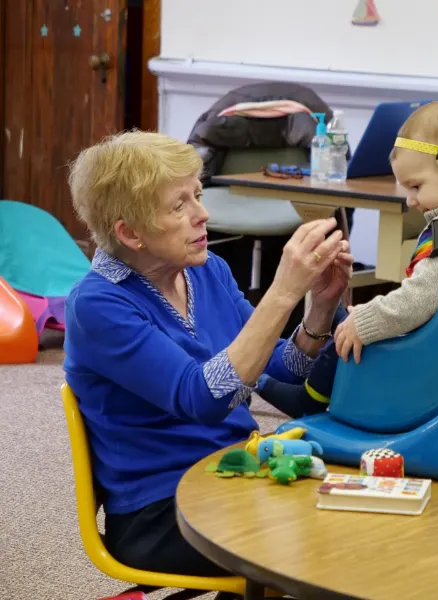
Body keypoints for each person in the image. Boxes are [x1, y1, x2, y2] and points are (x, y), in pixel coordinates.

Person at [63, 131, 353, 585]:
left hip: (232, 473)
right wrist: (283, 292)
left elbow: (282, 368)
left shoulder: (207, 270)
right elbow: (201, 397)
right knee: (322, 540)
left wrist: (318, 306)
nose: (203, 215)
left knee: (354, 508)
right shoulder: (97, 305)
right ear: (130, 233)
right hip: (159, 512)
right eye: (179, 206)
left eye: (197, 194)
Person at [262, 102, 438, 409]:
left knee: (351, 334)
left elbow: (422, 297)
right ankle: (342, 320)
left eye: (416, 186)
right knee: (353, 318)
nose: (411, 201)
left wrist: (366, 321)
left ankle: (310, 397)